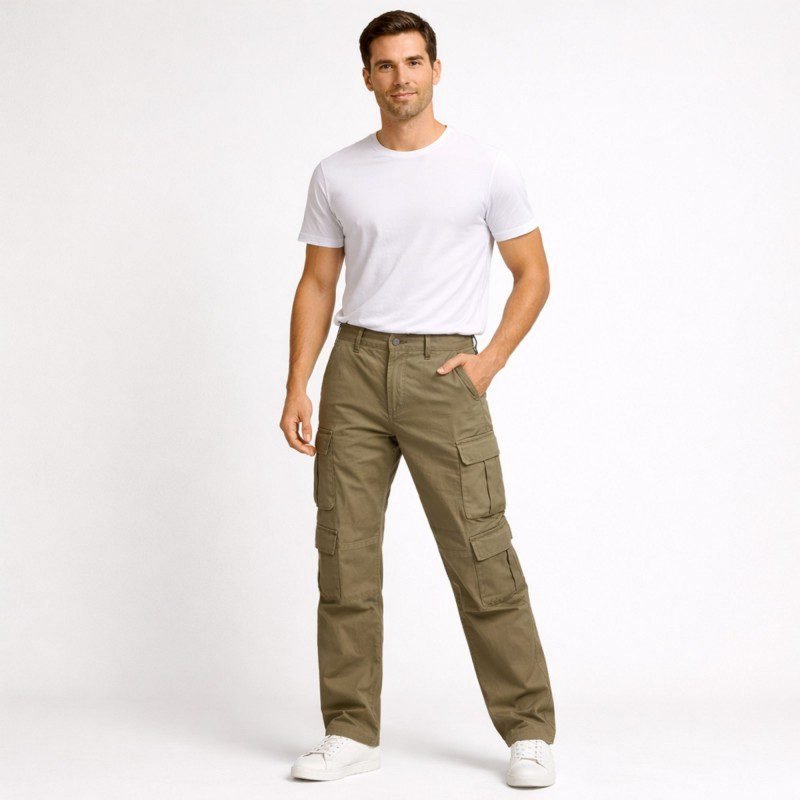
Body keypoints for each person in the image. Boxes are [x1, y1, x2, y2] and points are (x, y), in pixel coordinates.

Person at [281, 9, 557, 788]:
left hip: (445, 372)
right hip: (356, 368)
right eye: (385, 65)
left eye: (412, 62)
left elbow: (533, 274)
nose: (400, 78)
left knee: (481, 552)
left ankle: (529, 729)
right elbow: (318, 282)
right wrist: (298, 382)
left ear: (435, 69)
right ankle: (350, 730)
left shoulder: (485, 168)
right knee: (344, 556)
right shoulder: (337, 173)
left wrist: (488, 362)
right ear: (367, 77)